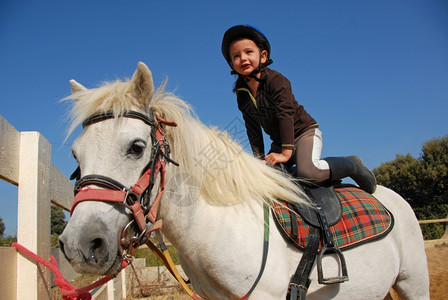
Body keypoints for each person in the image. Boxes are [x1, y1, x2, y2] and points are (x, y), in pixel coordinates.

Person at [221, 25, 376, 193]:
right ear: (231, 63)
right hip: (280, 143)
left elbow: (285, 114)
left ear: (263, 56)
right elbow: (253, 129)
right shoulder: (242, 95)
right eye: (236, 56)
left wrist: (286, 153)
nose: (243, 58)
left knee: (309, 172)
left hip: (303, 134)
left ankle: (351, 164)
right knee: (266, 177)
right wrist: (259, 160)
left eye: (248, 52)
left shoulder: (276, 80)